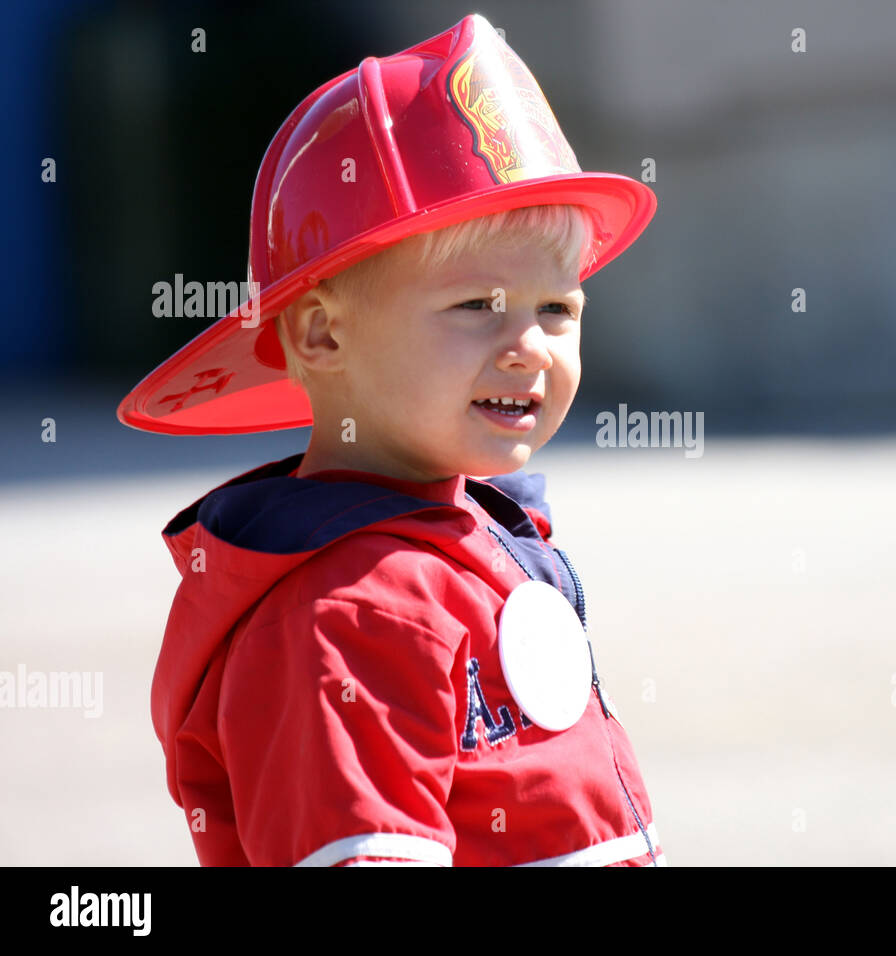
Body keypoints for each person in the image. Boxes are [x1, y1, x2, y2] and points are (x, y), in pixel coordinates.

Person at [119, 13, 665, 867]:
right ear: (322, 338)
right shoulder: (348, 616)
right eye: (476, 305)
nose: (530, 344)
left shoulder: (475, 538)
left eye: (557, 307)